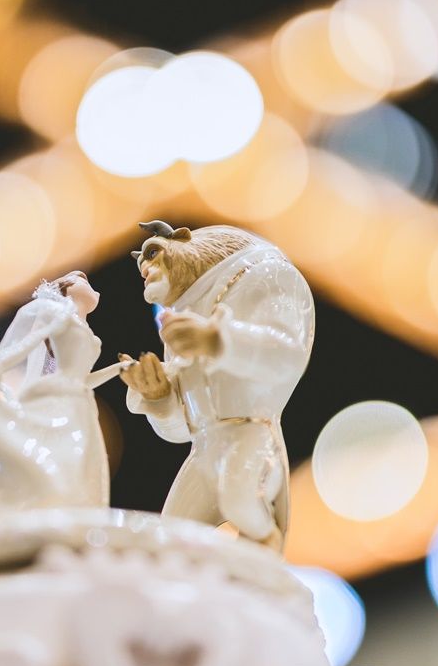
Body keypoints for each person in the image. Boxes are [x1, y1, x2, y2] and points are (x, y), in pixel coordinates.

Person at [121, 221, 315, 550]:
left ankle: (266, 541)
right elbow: (181, 430)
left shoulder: (266, 274)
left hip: (250, 435)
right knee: (167, 542)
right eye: (143, 264)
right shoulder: (184, 316)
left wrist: (218, 339)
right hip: (204, 451)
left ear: (183, 239)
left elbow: (287, 355)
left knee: (240, 500)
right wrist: (159, 397)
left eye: (153, 254)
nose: (146, 268)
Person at [0, 271, 118, 536]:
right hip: (59, 397)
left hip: (80, 403)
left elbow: (81, 379)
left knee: (81, 461)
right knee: (66, 458)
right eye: (80, 279)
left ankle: (73, 522)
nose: (87, 281)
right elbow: (23, 344)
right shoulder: (56, 314)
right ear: (65, 289)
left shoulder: (80, 324)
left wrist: (118, 370)